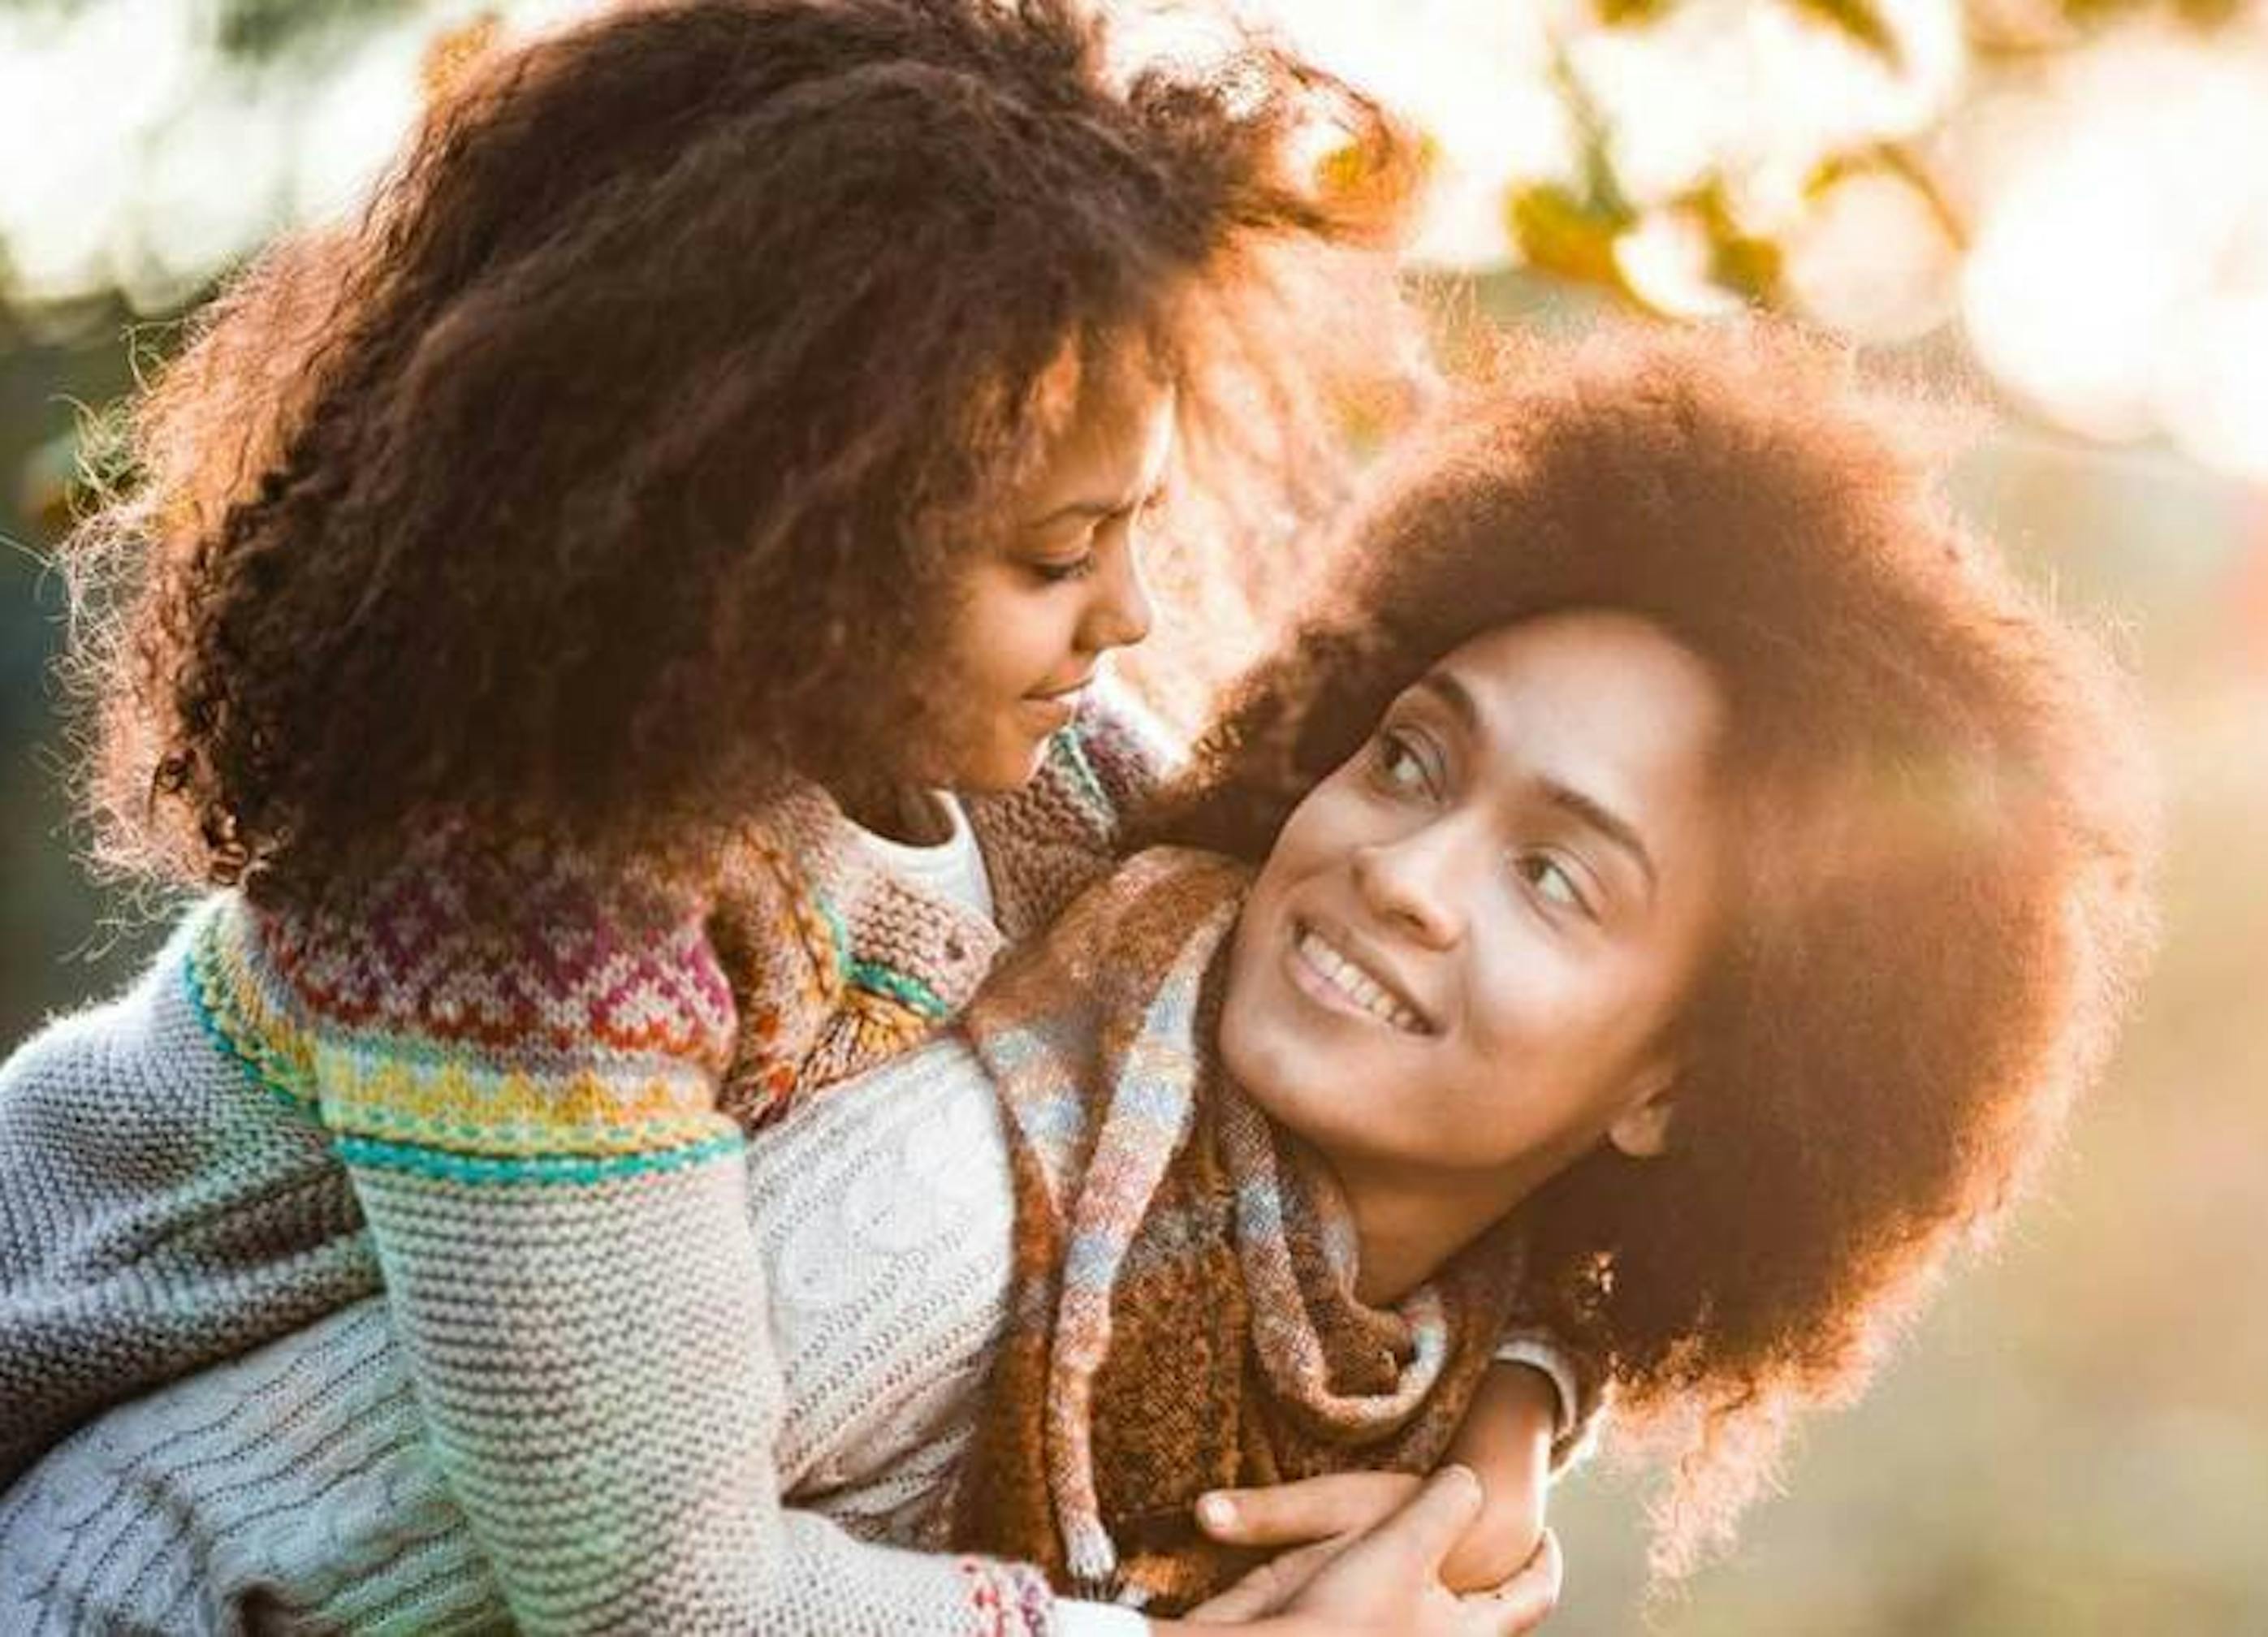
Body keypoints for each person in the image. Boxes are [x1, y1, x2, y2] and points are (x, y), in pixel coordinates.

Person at [0, 327, 2162, 1632]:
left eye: (1558, 883)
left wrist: (1511, 1433)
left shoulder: (1369, 1323)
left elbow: (1559, 1294)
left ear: (1682, 1083)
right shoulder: (931, 1213)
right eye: (1408, 758)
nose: (1401, 873)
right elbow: (165, 1538)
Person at [0, 1, 1576, 1628]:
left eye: (1140, 525)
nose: (1127, 614)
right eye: (1056, 551)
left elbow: (1389, 1074)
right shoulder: (512, 918)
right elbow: (668, 1602)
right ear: (784, 542)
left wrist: (1510, 1418)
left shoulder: (1052, 769)